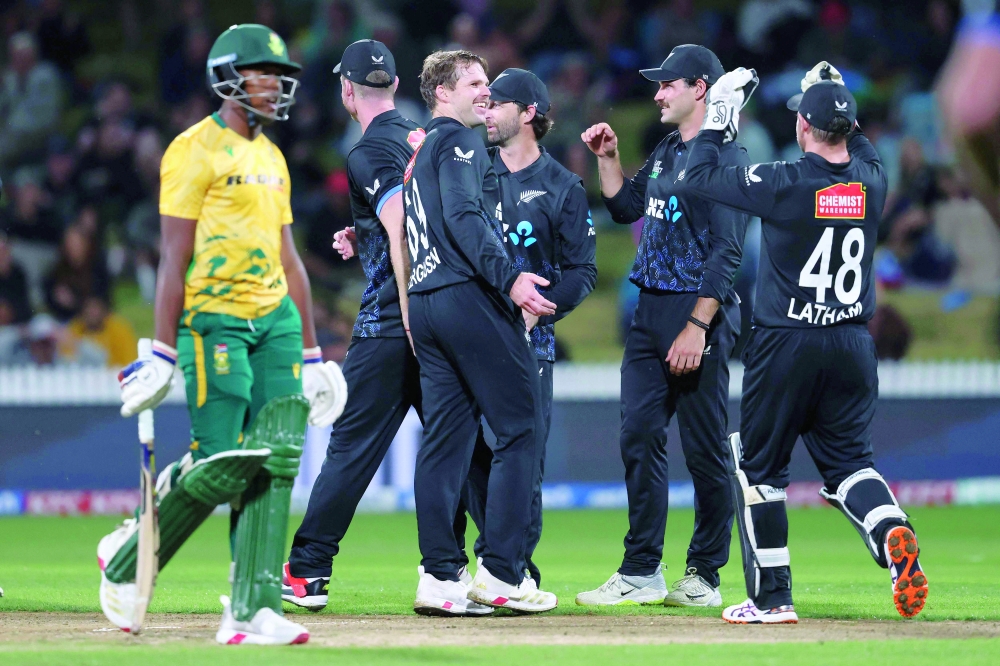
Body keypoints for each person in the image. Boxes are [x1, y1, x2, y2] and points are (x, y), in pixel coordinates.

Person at [95, 24, 347, 645]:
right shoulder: (191, 149)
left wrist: (313, 351)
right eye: (263, 74)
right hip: (214, 319)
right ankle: (131, 550)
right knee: (223, 460)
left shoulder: (273, 156)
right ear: (229, 78)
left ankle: (253, 608)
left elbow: (290, 262)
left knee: (279, 460)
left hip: (277, 323)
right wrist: (159, 349)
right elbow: (171, 255)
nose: (275, 87)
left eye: (280, 77)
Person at [681, 62, 927, 623]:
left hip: (786, 342)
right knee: (850, 466)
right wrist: (833, 93)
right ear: (847, 127)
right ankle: (891, 531)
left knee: (758, 468)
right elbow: (860, 143)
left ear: (803, 129)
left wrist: (719, 115)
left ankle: (773, 600)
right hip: (851, 344)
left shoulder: (784, 183)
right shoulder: (872, 180)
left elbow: (696, 180)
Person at [281, 39, 461, 614]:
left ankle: (307, 571)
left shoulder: (367, 150)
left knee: (351, 452)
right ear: (398, 87)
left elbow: (404, 224)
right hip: (448, 317)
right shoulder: (424, 136)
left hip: (395, 323)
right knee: (463, 450)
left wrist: (410, 320)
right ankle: (473, 571)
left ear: (346, 90)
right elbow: (439, 218)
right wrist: (365, 234)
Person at [576, 44, 750, 608]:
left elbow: (727, 252)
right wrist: (608, 158)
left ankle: (704, 574)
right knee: (638, 437)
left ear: (700, 87)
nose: (657, 93)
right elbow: (627, 209)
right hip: (650, 312)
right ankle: (641, 570)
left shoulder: (724, 157)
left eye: (667, 84)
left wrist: (698, 325)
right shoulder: (672, 149)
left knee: (704, 450)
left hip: (696, 313)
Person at [404, 49, 558, 614]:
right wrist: (511, 279)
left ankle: (440, 578)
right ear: (443, 93)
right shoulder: (461, 140)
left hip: (426, 303)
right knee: (522, 427)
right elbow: (465, 217)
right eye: (474, 82)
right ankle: (501, 573)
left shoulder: (419, 154)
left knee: (445, 441)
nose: (485, 92)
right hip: (467, 297)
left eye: (488, 83)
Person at [461, 68, 597, 587]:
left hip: (530, 343)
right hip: (467, 337)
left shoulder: (563, 188)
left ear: (530, 113)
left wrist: (536, 309)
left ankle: (512, 568)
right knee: (462, 451)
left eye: (497, 103)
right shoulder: (470, 172)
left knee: (526, 461)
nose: (486, 111)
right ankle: (496, 557)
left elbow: (584, 272)